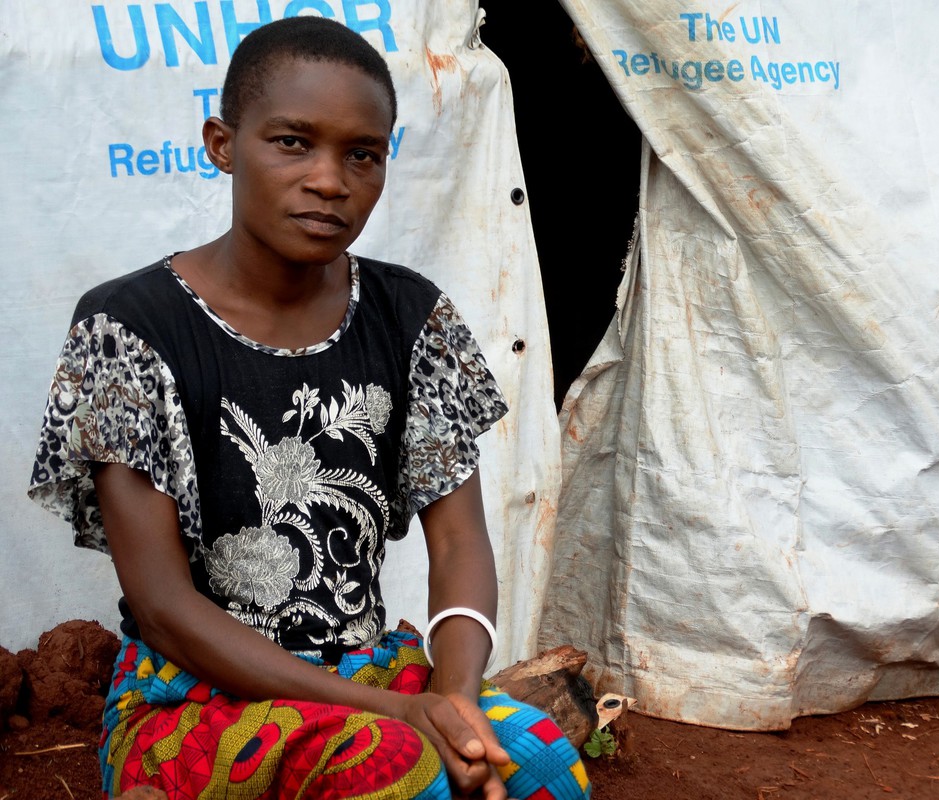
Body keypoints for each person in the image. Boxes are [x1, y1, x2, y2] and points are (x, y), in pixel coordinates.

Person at [28, 16, 589, 800]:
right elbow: (161, 607)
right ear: (222, 143)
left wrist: (453, 698)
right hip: (191, 698)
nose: (330, 180)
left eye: (362, 154)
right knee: (402, 768)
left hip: (369, 675)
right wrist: (400, 716)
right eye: (293, 142)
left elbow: (459, 541)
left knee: (537, 764)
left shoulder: (409, 317)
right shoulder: (128, 328)